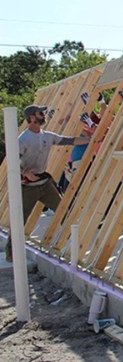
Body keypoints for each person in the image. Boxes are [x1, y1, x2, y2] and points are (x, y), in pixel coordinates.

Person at [5, 105, 90, 261]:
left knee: (63, 210)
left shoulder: (47, 136)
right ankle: (11, 252)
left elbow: (69, 140)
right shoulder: (23, 139)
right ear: (31, 118)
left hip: (44, 183)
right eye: (40, 113)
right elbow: (13, 161)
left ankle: (75, 244)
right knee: (19, 219)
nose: (43, 115)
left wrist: (91, 139)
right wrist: (26, 173)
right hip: (28, 187)